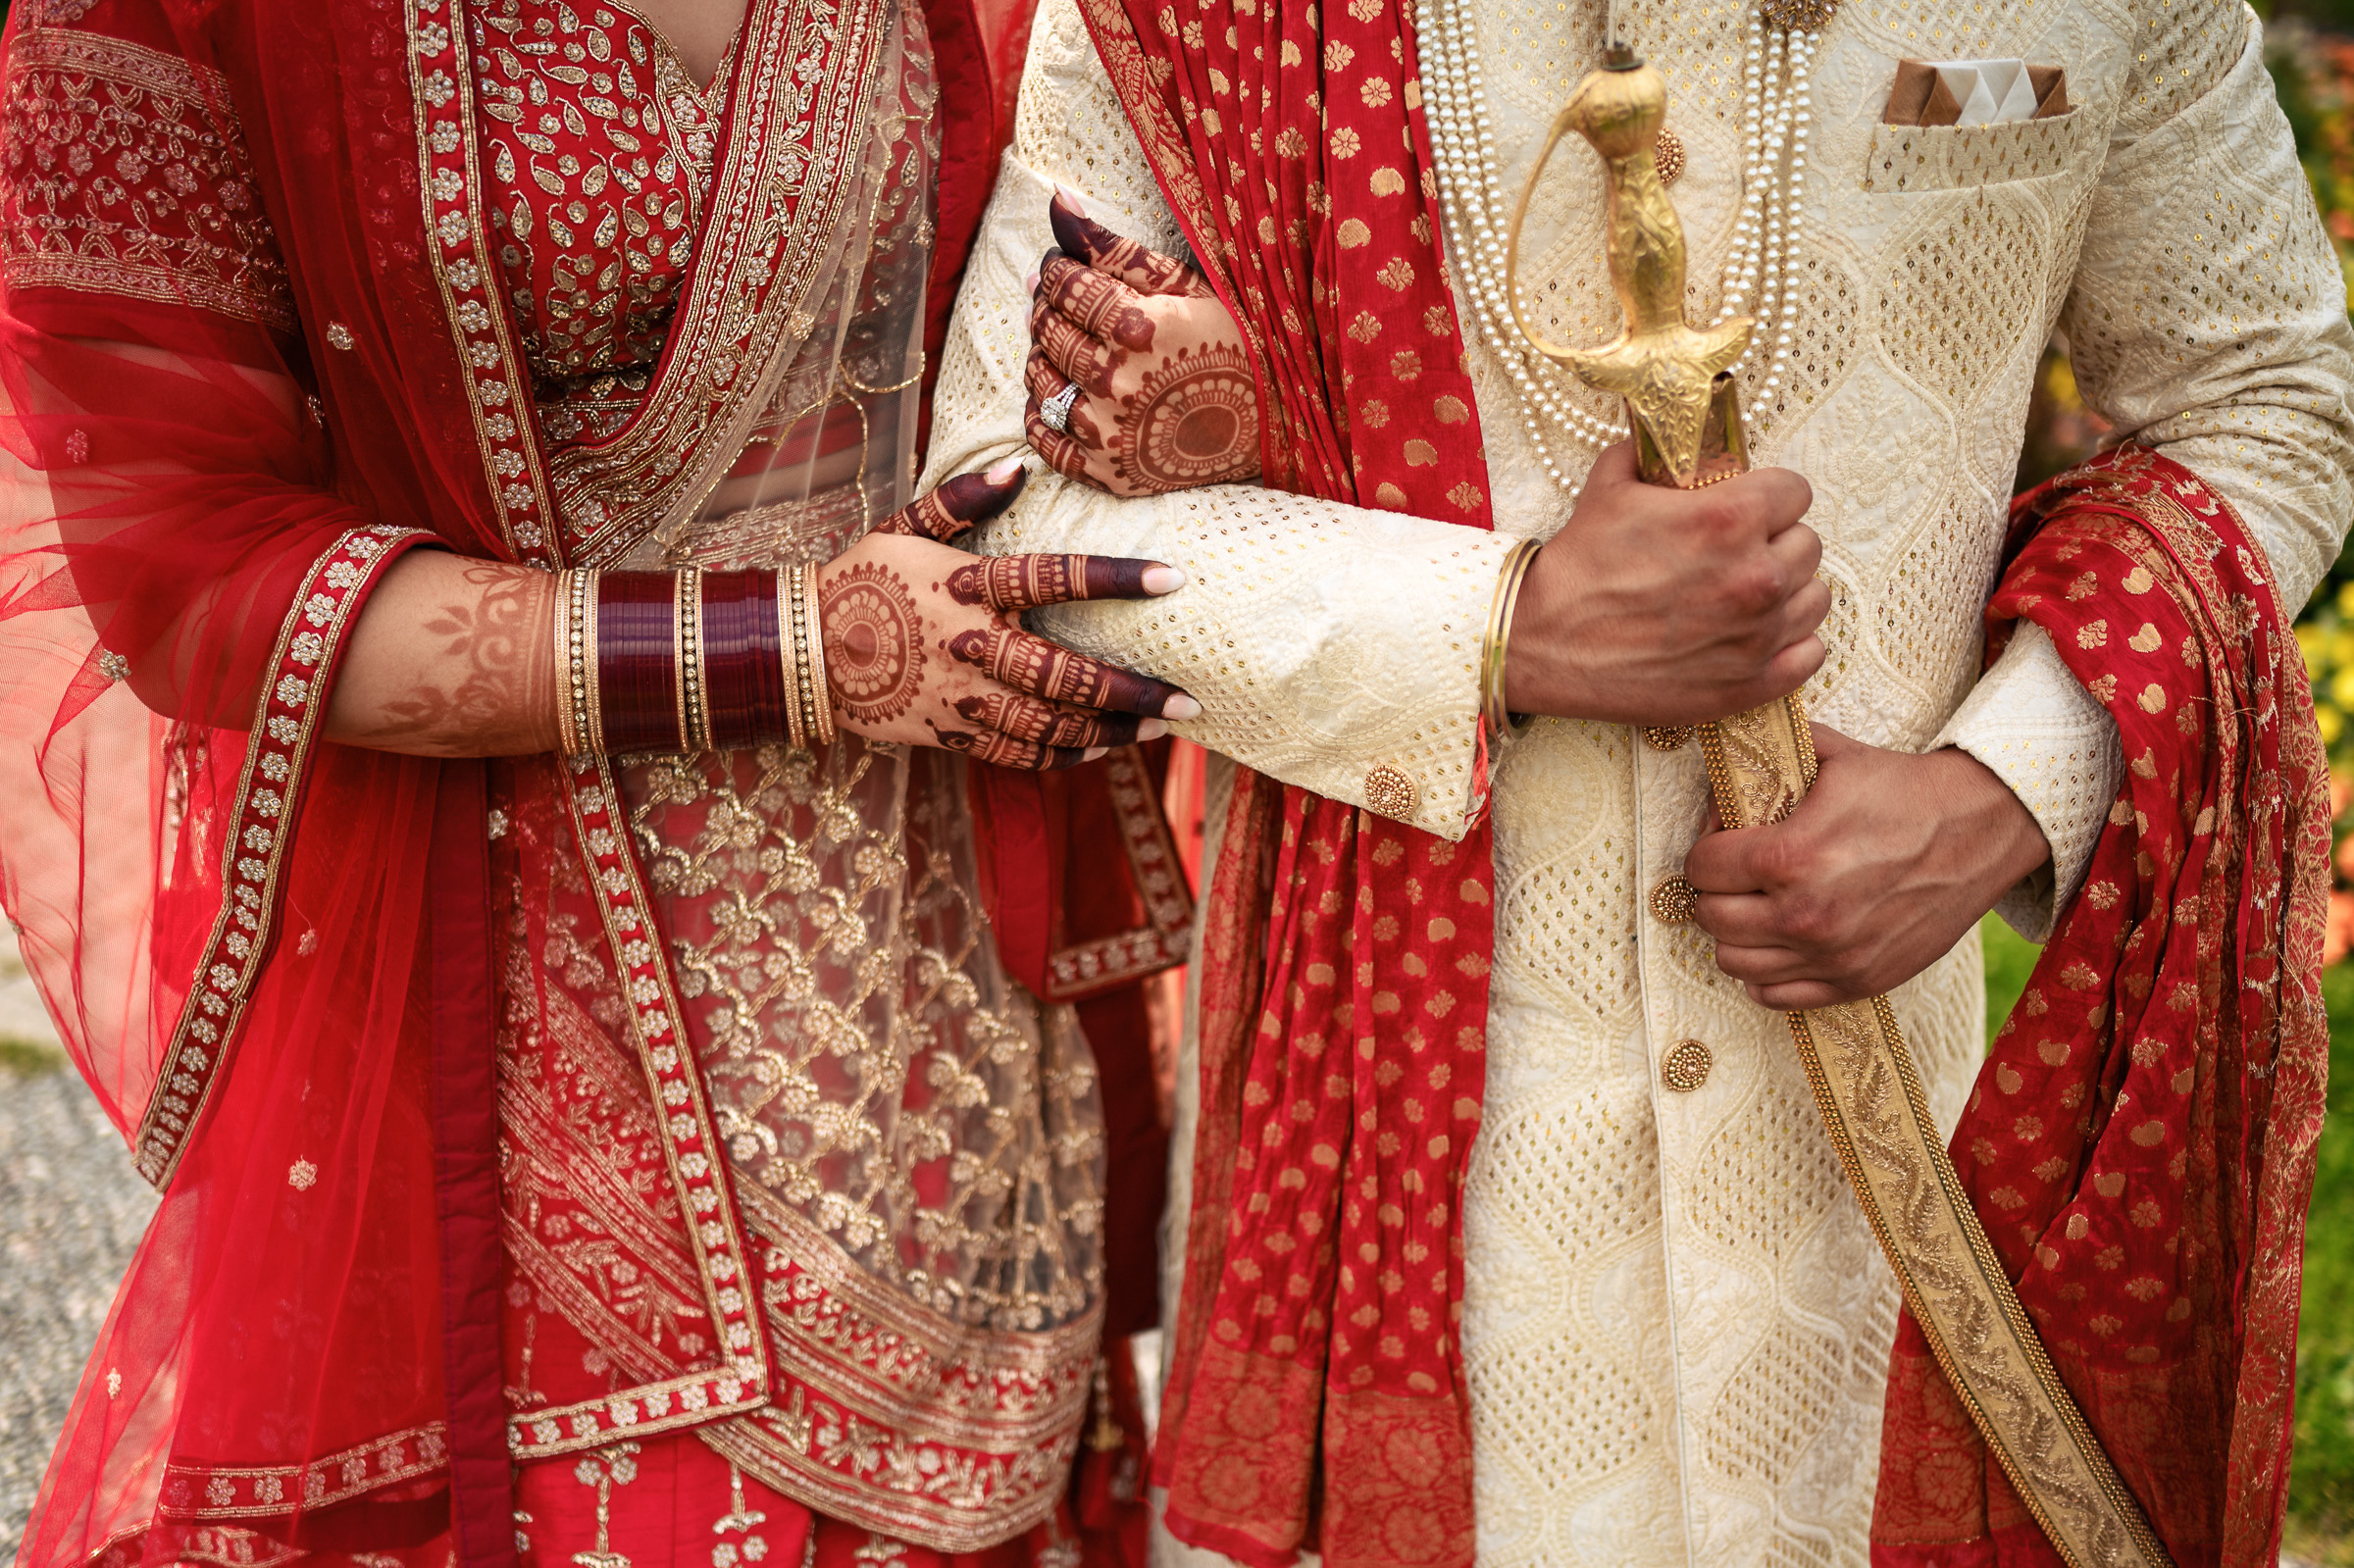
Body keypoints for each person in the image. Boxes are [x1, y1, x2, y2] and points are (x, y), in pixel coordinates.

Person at [919, 0, 2354, 1563]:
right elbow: (1005, 506)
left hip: (1889, 1199)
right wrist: (1500, 627)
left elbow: (2266, 402)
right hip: (1399, 1214)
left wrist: (1999, 792)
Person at [0, 1, 1191, 1565]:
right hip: (504, 1008)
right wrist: (803, 651)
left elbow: (1029, 279)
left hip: (937, 975)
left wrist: (1151, 357)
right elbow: (188, 567)